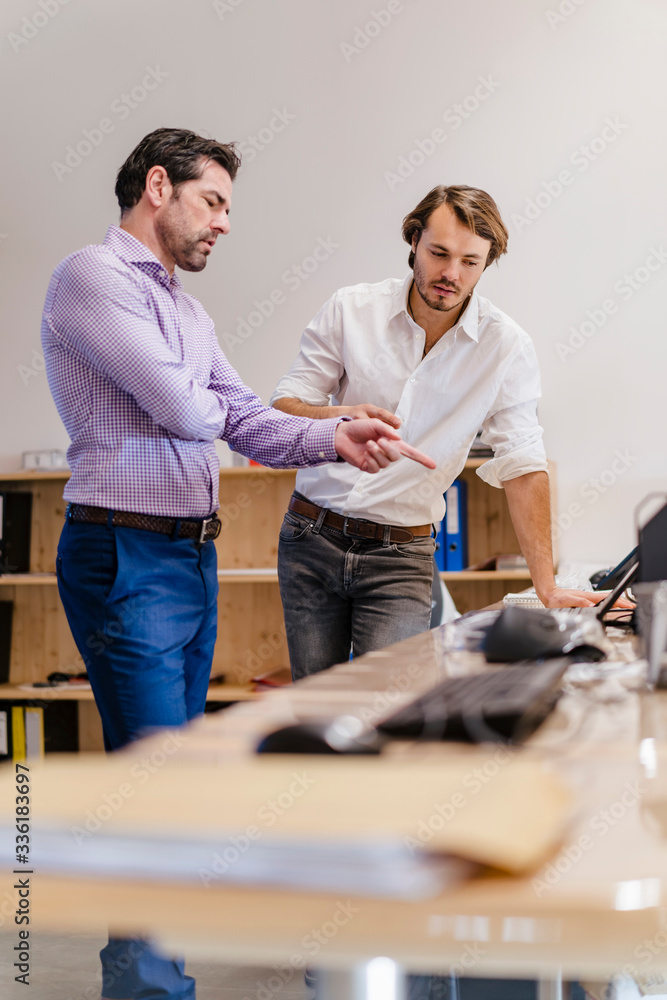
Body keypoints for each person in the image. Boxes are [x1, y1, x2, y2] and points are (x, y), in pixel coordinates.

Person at [41, 127, 434, 1000]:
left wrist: (336, 433)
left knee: (170, 786)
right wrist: (223, 404)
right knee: (153, 782)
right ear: (158, 187)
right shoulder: (91, 277)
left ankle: (151, 978)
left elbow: (246, 418)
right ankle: (148, 990)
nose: (224, 222)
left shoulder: (185, 311)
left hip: (187, 556)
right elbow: (188, 411)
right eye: (212, 201)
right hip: (124, 550)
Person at [271, 184, 620, 681]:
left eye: (470, 262)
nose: (451, 274)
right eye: (439, 253)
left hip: (401, 555)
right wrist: (342, 419)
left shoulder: (505, 347)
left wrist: (546, 586)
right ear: (414, 241)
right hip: (311, 536)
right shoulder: (351, 309)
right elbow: (285, 406)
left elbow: (523, 463)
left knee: (391, 702)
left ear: (486, 263)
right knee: (314, 702)